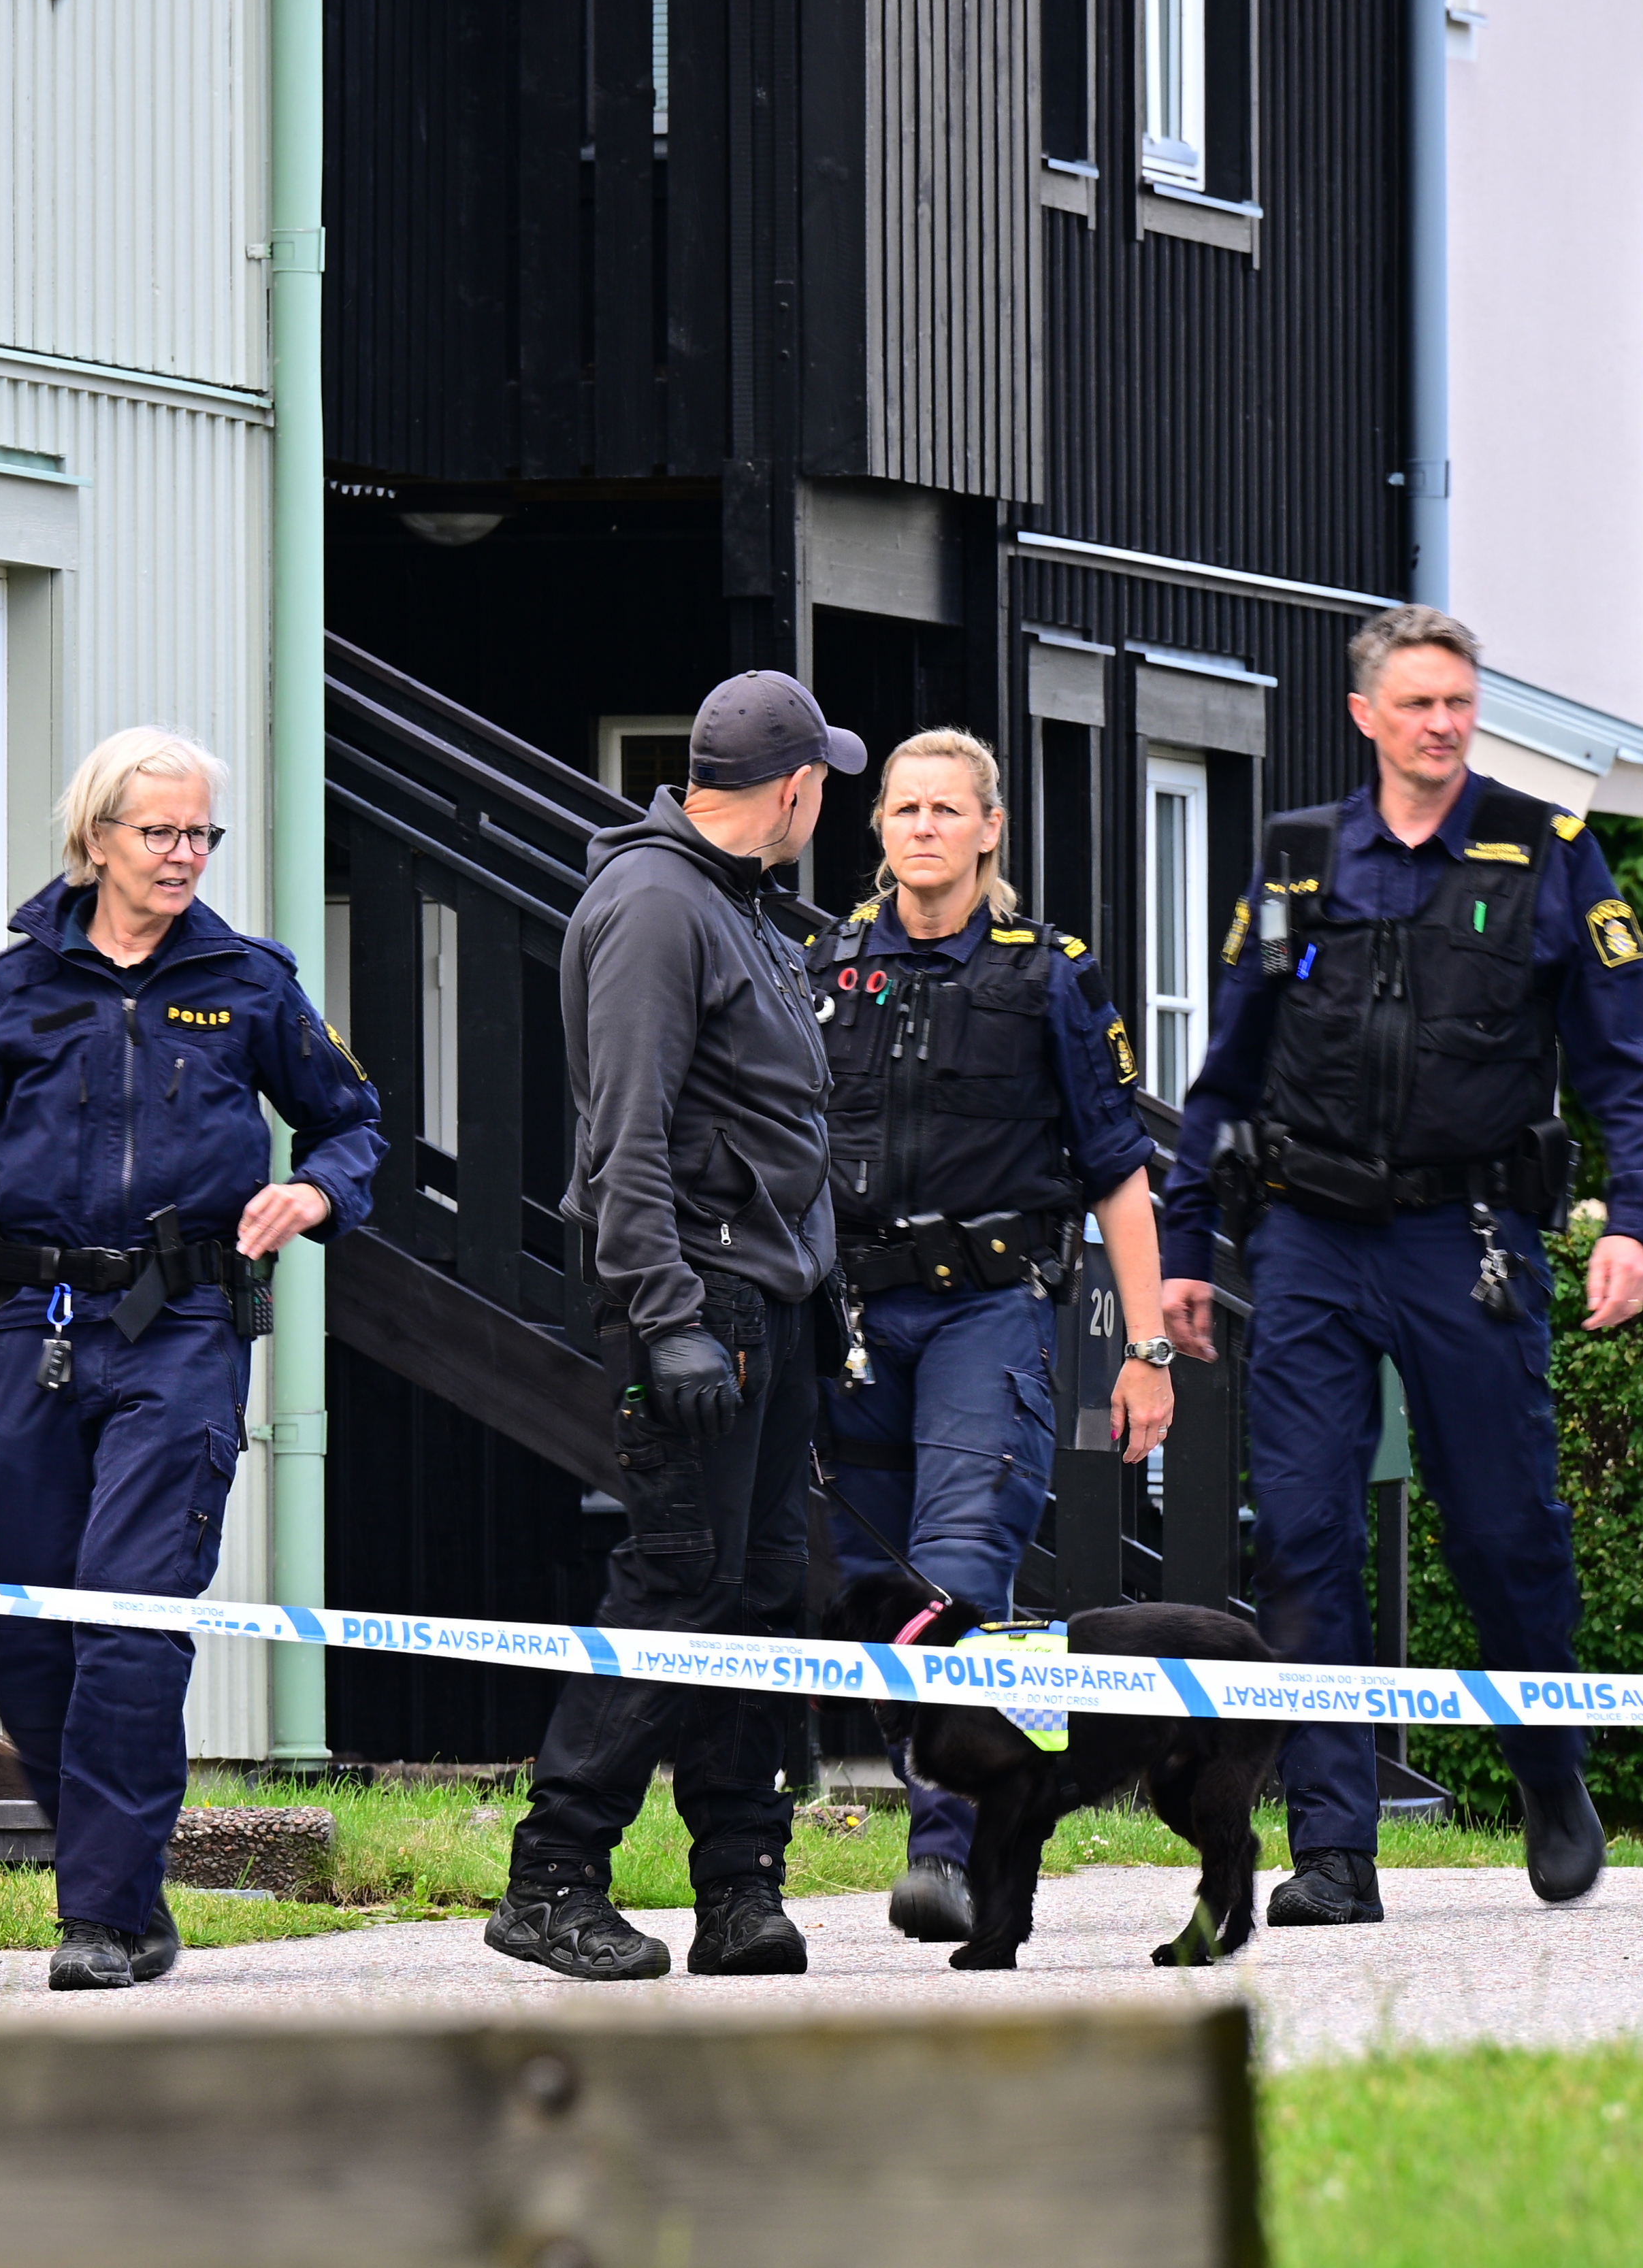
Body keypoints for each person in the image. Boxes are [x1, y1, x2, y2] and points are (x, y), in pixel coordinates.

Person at [0, 727, 380, 1992]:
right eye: (162, 834)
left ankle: (100, 1915)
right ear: (96, 840)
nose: (185, 856)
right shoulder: (12, 990)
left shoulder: (250, 982)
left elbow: (353, 1127)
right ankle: (127, 1889)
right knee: (31, 1639)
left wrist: (311, 1198)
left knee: (130, 1623)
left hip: (182, 1333)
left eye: (201, 836)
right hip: (31, 1334)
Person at [1161, 604, 1643, 1919]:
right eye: (1418, 704)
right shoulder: (1295, 865)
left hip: (1471, 1243)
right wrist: (1182, 1240)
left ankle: (1550, 1776)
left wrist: (1636, 1220)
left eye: (1460, 701)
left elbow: (1635, 1057)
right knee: (1302, 1535)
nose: (1444, 724)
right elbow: (1226, 1068)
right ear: (1366, 718)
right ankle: (1334, 1849)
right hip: (1312, 1242)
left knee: (1507, 1533)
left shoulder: (1548, 853)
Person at [487, 665, 860, 1984]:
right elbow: (621, 1135)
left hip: (775, 1301)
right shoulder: (656, 903)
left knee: (761, 1595)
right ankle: (554, 1877)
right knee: (677, 1587)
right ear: (798, 786)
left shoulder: (736, 905)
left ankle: (739, 1886)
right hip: (700, 1302)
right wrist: (667, 1316)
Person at [814, 727, 1178, 1944]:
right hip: (854, 1318)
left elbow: (1122, 1174)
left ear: (988, 831)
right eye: (902, 808)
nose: (921, 826)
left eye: (944, 809)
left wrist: (1147, 1349)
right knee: (865, 1585)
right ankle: (933, 1799)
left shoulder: (1049, 974)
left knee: (955, 1574)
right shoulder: (825, 964)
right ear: (880, 831)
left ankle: (946, 1849)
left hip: (990, 1309)